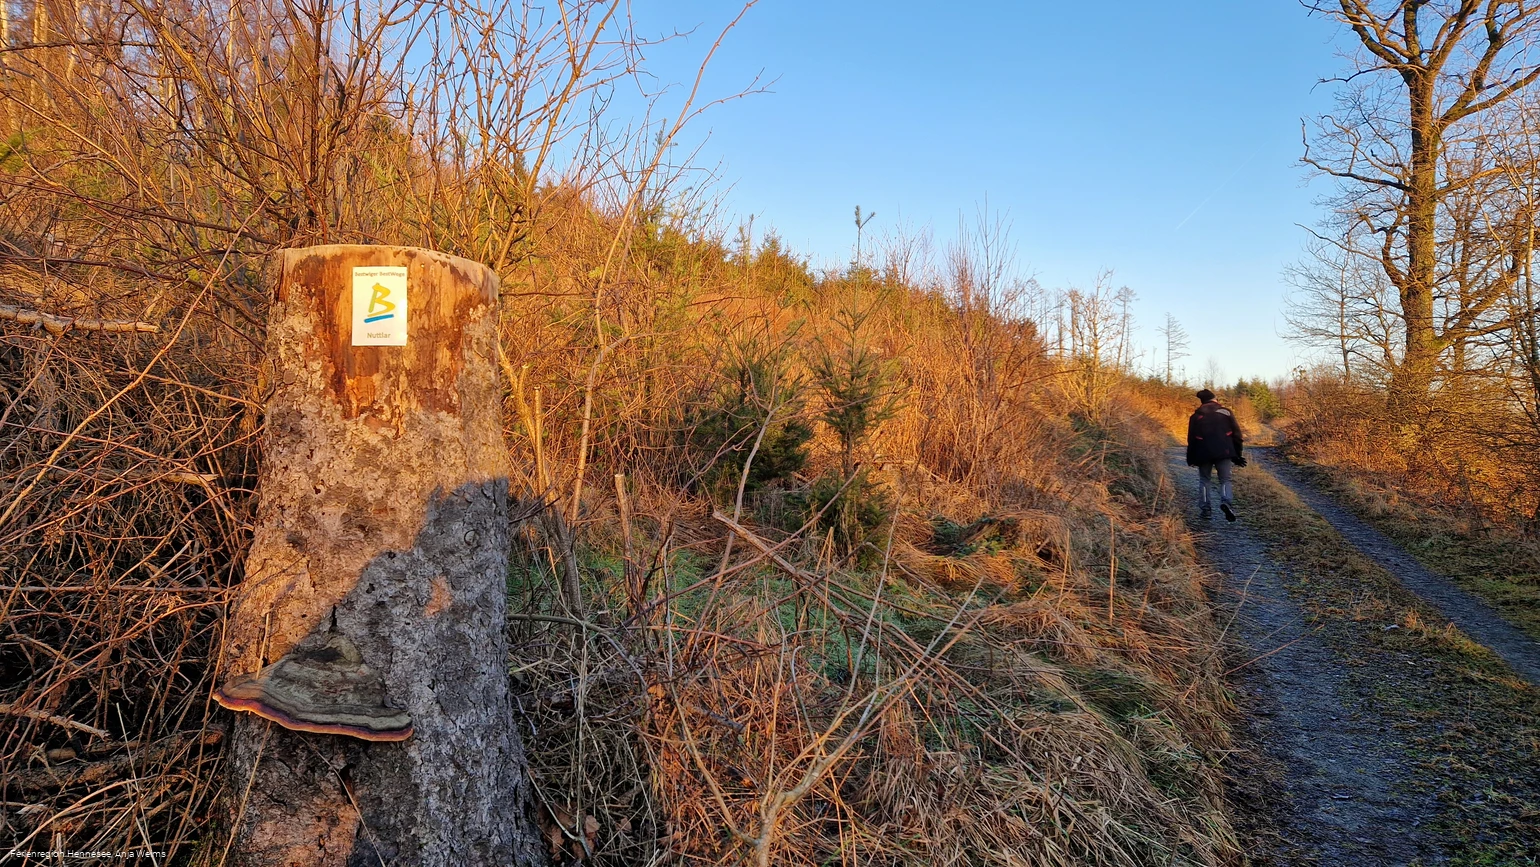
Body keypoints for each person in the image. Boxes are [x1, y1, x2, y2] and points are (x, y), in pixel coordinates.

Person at [1186, 388, 1245, 521]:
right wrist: (1237, 455)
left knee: (1204, 480)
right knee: (1225, 479)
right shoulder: (1226, 412)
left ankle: (1206, 510)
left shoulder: (1195, 416)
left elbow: (1191, 439)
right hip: (1224, 451)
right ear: (1214, 399)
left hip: (1203, 452)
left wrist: (1191, 458)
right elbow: (1237, 435)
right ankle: (1226, 501)